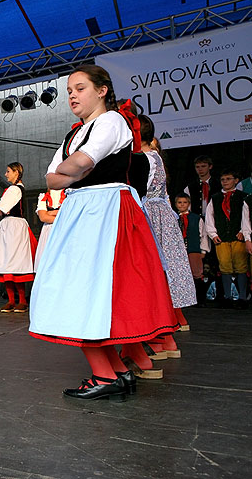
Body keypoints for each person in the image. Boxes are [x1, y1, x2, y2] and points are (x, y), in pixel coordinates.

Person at [29, 64, 177, 400]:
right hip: (82, 210)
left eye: (79, 88)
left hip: (104, 210)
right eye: (69, 91)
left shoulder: (111, 122)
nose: (72, 96)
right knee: (82, 290)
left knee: (86, 292)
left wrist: (76, 170)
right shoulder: (75, 133)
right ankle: (117, 372)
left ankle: (106, 374)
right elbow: (51, 177)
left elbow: (79, 164)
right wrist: (75, 170)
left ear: (102, 90)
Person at [130, 115, 194, 361]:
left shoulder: (142, 159)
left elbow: (139, 191)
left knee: (153, 274)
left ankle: (160, 338)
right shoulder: (155, 156)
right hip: (161, 216)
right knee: (161, 275)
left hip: (150, 217)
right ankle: (166, 338)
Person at [0, 162, 36, 313]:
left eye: (8, 171)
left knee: (15, 262)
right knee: (8, 261)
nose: (5, 174)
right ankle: (13, 300)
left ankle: (20, 300)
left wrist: (0, 209)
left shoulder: (14, 189)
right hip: (10, 226)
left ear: (16, 172)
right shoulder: (14, 189)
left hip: (13, 226)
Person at [205, 169, 248, 308]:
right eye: (223, 180)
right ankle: (227, 297)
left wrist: (243, 231)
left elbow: (246, 216)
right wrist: (213, 234)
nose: (225, 182)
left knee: (241, 265)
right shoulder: (216, 198)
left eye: (229, 179)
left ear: (236, 180)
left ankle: (242, 297)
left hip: (238, 236)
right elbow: (209, 216)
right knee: (225, 266)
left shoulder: (243, 196)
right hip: (222, 237)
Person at [175, 193, 210, 313]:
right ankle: (184, 300)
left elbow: (203, 234)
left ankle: (200, 299)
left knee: (197, 273)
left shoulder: (196, 218)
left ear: (189, 204)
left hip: (193, 249)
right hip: (178, 251)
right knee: (181, 275)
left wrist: (203, 250)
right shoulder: (173, 219)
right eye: (179, 202)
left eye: (184, 202)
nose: (182, 205)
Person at [34, 189, 65, 272]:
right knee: (48, 261)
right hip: (49, 232)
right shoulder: (43, 197)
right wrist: (60, 214)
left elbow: (70, 214)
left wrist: (50, 213)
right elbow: (43, 217)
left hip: (64, 230)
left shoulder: (68, 195)